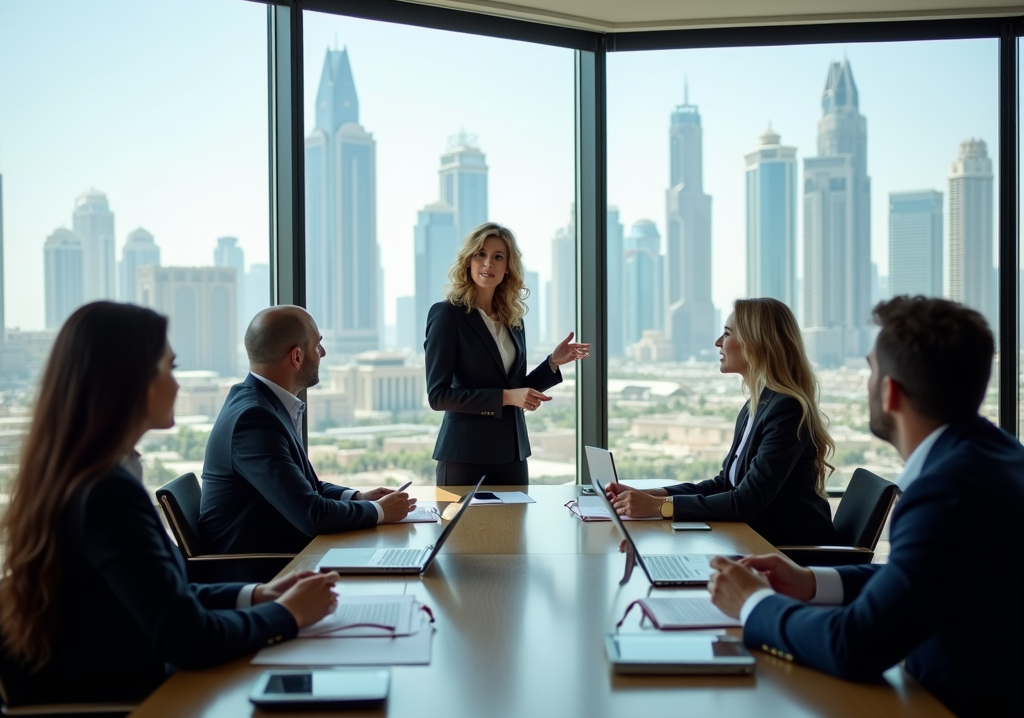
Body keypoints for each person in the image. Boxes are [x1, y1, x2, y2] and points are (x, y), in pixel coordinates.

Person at [0, 302, 339, 718]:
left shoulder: (87, 477)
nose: (177, 383)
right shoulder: (107, 493)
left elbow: (161, 596)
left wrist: (256, 594)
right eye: (170, 367)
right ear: (129, 382)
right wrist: (286, 615)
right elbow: (187, 637)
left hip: (140, 694)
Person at [707, 296, 1024, 718]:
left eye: (871, 371)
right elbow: (916, 578)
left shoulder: (944, 491)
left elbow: (853, 646)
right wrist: (813, 582)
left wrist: (753, 604)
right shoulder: (995, 456)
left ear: (890, 391)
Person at [607, 297, 837, 546]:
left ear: (756, 343)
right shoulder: (756, 405)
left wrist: (659, 507)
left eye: (727, 334)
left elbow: (746, 502)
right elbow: (725, 484)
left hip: (792, 552)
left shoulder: (786, 409)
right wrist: (648, 496)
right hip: (756, 541)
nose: (718, 342)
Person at [200, 306, 415, 555]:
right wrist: (380, 511)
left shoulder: (264, 405)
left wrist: (358, 497)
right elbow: (311, 514)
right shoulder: (254, 420)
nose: (323, 353)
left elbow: (306, 487)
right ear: (297, 357)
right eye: (318, 345)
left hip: (285, 557)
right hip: (265, 571)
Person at [425, 222, 589, 486]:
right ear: (468, 261)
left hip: (513, 455)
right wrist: (505, 397)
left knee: (514, 529)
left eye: (498, 257)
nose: (488, 263)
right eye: (481, 254)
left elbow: (516, 389)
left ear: (507, 267)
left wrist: (553, 362)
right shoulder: (447, 315)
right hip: (465, 456)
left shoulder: (514, 319)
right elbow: (438, 396)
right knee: (463, 529)